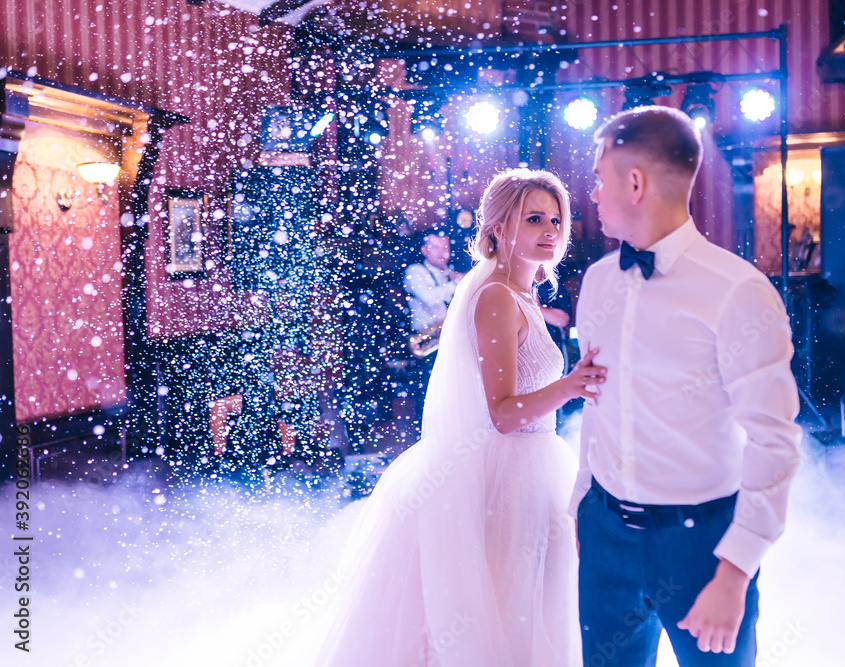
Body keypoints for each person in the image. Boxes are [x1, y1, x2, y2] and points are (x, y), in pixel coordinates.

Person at [315, 168, 606, 666]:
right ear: (497, 227)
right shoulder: (494, 296)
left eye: (557, 219)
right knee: (500, 614)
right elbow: (503, 414)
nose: (551, 230)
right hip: (503, 475)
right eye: (534, 218)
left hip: (536, 464)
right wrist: (570, 385)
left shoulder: (523, 292)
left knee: (531, 608)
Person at [572, 105, 802, 666]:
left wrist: (735, 572)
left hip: (702, 547)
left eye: (600, 179)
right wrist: (582, 506)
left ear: (635, 183)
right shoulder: (598, 281)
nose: (593, 193)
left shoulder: (736, 292)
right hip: (604, 537)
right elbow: (596, 402)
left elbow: (775, 443)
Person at [403, 232, 463, 430]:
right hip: (428, 342)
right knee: (430, 392)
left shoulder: (450, 272)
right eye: (436, 247)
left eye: (445, 247)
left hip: (450, 338)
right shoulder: (415, 271)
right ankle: (428, 435)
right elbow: (429, 298)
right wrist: (455, 285)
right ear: (424, 251)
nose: (443, 253)